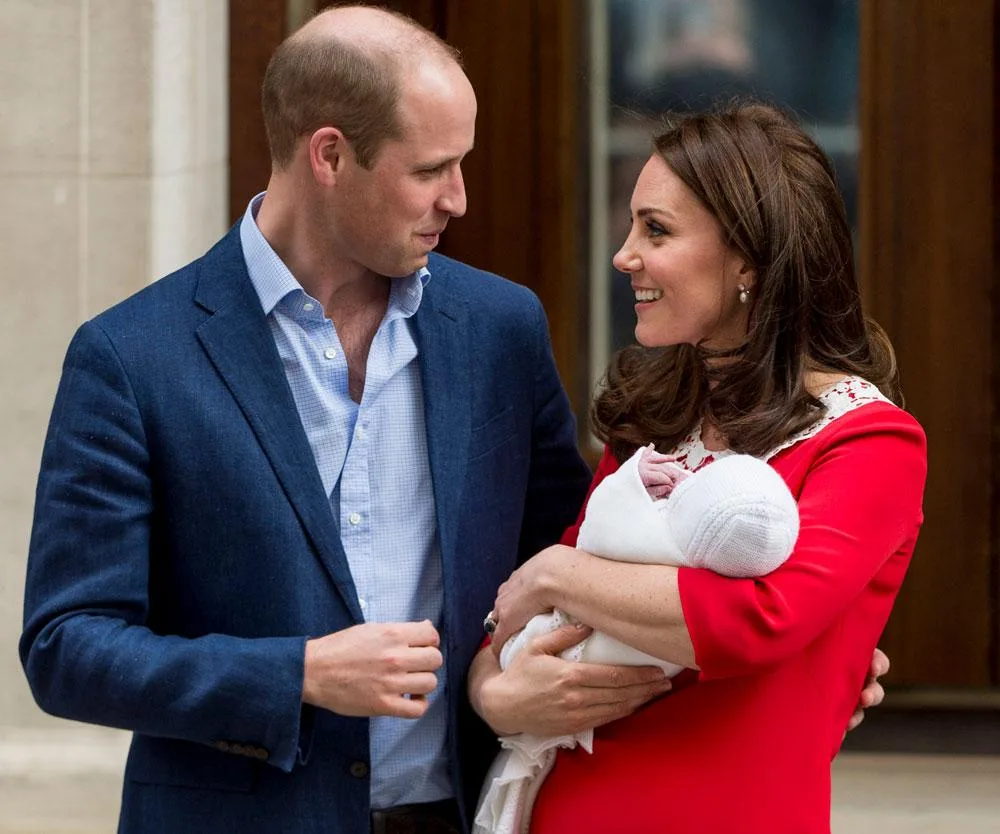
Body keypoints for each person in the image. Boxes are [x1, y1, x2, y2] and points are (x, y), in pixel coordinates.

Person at [18, 6, 621, 834]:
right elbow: (67, 647)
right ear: (329, 155)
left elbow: (568, 557)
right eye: (431, 169)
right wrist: (296, 674)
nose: (458, 199)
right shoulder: (130, 357)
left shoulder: (500, 329)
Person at [468, 101, 926, 834]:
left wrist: (556, 573)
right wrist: (492, 693)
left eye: (656, 230)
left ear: (749, 259)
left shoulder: (870, 441)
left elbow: (762, 620)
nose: (624, 255)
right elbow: (526, 622)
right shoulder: (655, 419)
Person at [474, 449, 800, 834]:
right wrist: (490, 695)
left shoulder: (659, 542)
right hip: (581, 776)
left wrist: (554, 571)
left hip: (576, 678)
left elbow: (599, 530)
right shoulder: (647, 429)